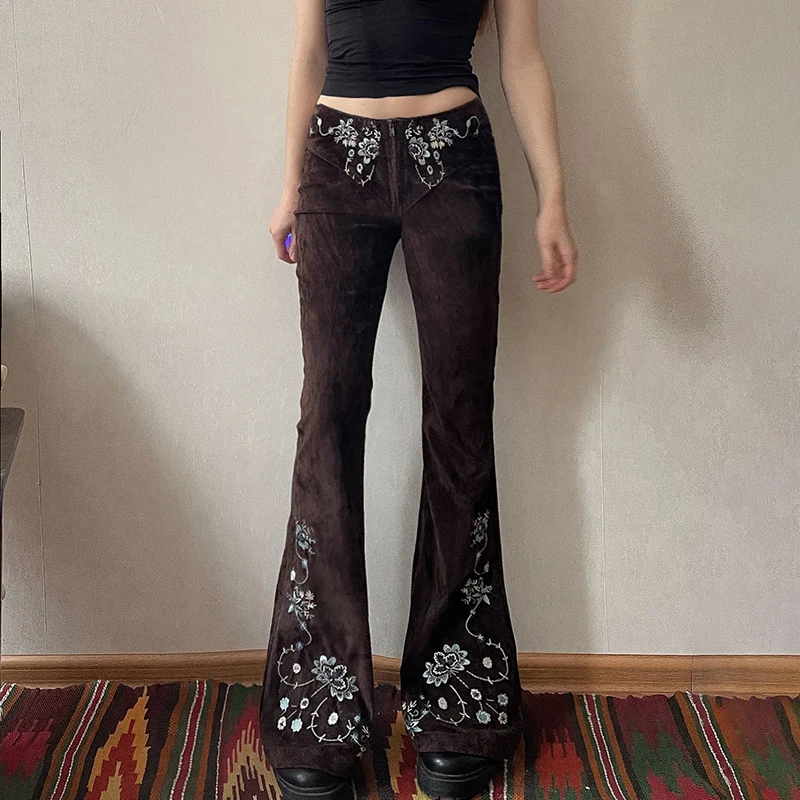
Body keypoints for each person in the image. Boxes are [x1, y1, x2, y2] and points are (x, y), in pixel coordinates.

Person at [260, 1, 577, 798]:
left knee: (460, 423)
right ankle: (320, 705)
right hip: (337, 162)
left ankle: (457, 696)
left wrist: (553, 196)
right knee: (328, 420)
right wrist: (290, 184)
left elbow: (522, 59)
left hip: (455, 160)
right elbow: (309, 54)